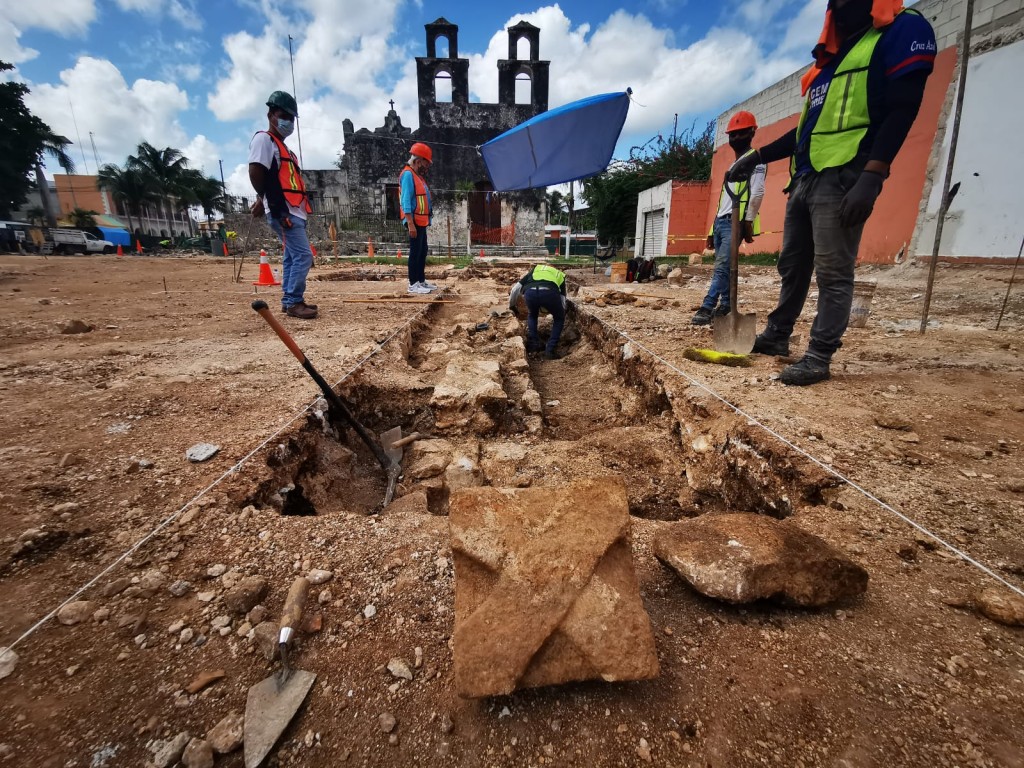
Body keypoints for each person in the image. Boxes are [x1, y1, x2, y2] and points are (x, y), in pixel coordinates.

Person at [727, 0, 935, 385]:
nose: (840, 6)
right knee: (792, 265)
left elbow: (903, 108)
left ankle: (819, 355)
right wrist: (757, 156)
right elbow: (803, 133)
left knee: (833, 271)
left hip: (845, 175)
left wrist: (873, 175)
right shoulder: (826, 67)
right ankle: (777, 335)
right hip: (805, 178)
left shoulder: (900, 31)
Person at [692, 111, 766, 326]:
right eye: (732, 135)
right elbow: (722, 202)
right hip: (721, 222)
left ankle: (707, 306)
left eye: (740, 133)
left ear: (752, 132)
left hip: (736, 222)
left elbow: (758, 192)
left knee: (723, 266)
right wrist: (711, 231)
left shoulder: (756, 162)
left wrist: (748, 221)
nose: (735, 139)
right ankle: (725, 305)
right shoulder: (732, 166)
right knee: (724, 265)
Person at [248, 90, 317, 320]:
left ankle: (290, 300)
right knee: (304, 256)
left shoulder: (284, 148)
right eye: (283, 115)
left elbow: (275, 177)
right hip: (284, 211)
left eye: (291, 118)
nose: (288, 121)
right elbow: (257, 172)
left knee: (291, 256)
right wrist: (271, 204)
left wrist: (263, 199)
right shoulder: (264, 140)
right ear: (271, 115)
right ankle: (293, 301)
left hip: (294, 210)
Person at [400, 143, 439, 295]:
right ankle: (413, 283)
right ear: (418, 161)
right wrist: (410, 224)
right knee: (415, 252)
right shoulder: (408, 175)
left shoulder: (417, 176)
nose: (427, 167)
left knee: (422, 251)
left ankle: (421, 280)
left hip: (421, 221)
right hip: (414, 221)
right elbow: (405, 201)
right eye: (426, 163)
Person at [509, 264, 568, 360]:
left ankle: (534, 345)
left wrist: (512, 306)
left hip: (530, 293)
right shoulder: (559, 274)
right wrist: (561, 311)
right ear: (553, 268)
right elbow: (562, 299)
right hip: (550, 293)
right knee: (559, 318)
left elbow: (515, 289)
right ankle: (550, 349)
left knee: (532, 315)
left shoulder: (535, 270)